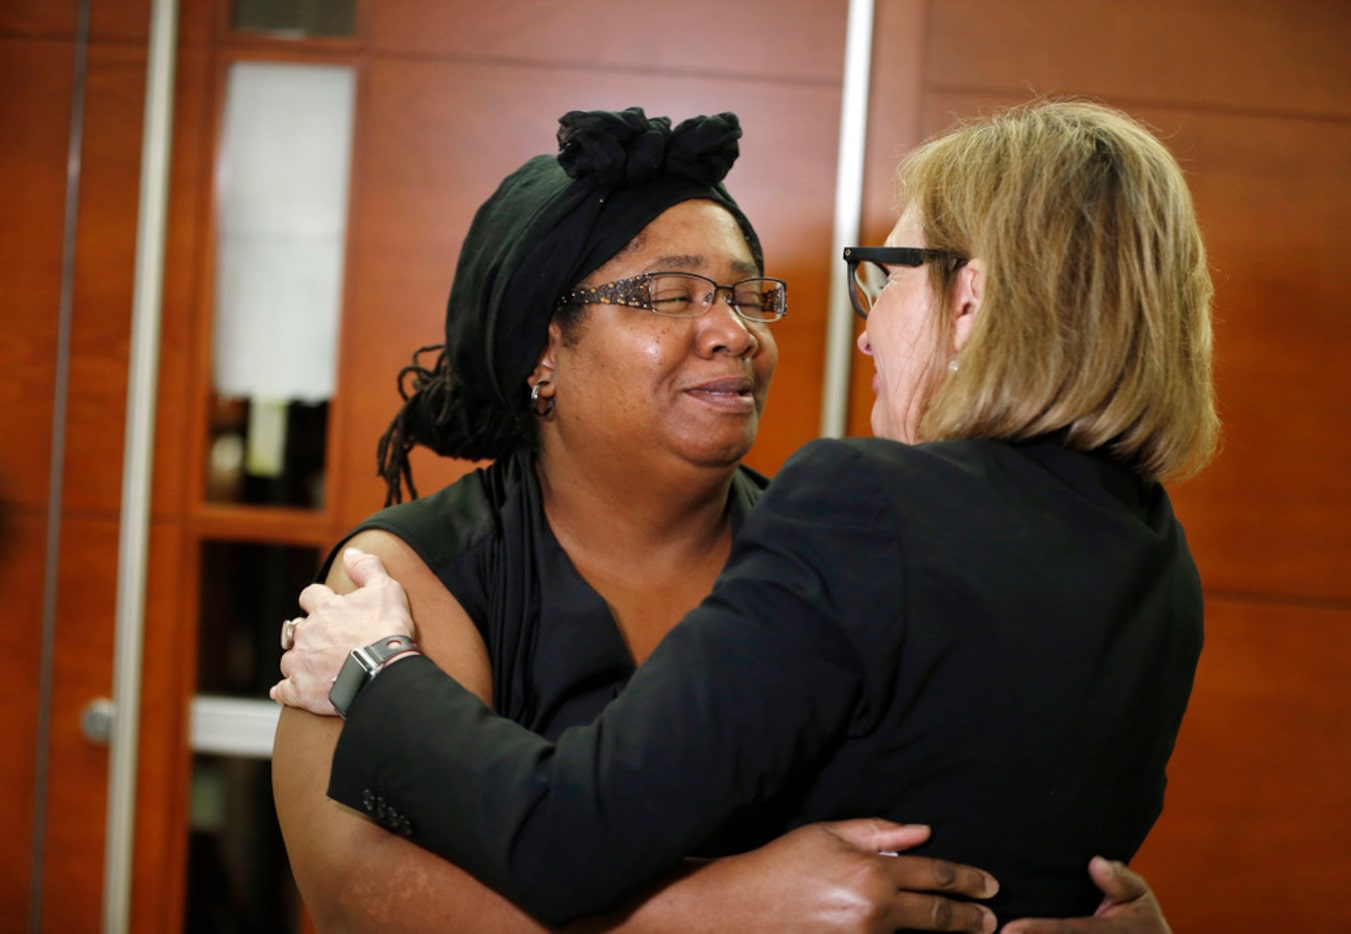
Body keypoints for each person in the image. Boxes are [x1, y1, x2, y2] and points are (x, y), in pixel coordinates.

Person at [275, 101, 1206, 930]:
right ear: (539, 351)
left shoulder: (844, 535)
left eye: (748, 295)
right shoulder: (398, 580)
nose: (736, 330)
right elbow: (362, 892)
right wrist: (718, 912)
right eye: (671, 295)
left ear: (968, 298)